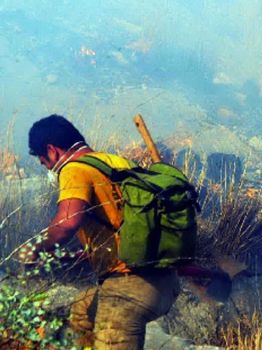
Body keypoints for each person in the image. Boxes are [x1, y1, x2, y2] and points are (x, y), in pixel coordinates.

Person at [23, 114, 180, 349]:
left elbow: (67, 223)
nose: (46, 168)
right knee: (81, 315)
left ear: (52, 150)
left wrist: (33, 251)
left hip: (128, 289)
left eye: (43, 162)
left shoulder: (74, 169)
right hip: (165, 283)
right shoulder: (117, 163)